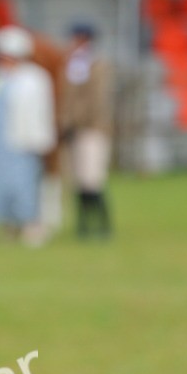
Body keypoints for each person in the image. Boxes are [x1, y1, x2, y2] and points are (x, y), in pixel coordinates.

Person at [0, 26, 57, 245]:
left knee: (24, 185)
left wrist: (42, 139)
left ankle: (32, 225)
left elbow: (43, 111)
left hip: (23, 142)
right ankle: (7, 225)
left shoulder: (35, 78)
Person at [61, 22, 113, 238]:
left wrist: (76, 120)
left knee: (92, 179)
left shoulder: (97, 65)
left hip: (92, 129)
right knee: (79, 180)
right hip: (76, 129)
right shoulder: (72, 65)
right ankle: (84, 225)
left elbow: (96, 100)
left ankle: (102, 225)